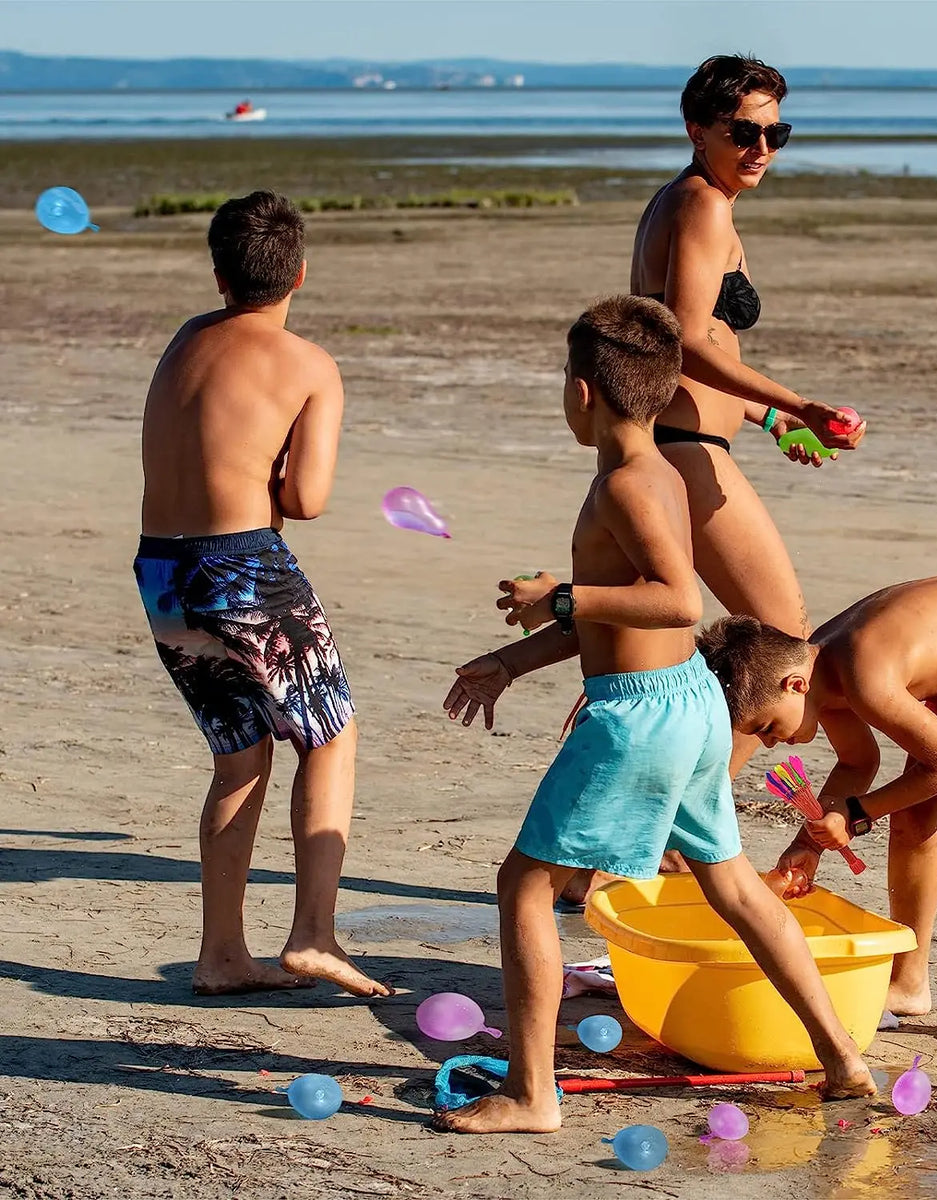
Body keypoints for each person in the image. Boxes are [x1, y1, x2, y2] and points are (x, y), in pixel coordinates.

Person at [437, 296, 875, 1134]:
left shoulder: (627, 485)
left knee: (525, 885)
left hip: (640, 719)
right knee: (733, 885)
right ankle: (842, 1057)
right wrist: (509, 662)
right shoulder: (659, 476)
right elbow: (615, 619)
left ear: (580, 394)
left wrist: (560, 591)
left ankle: (533, 1095)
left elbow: (675, 598)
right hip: (691, 706)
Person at [133, 190, 389, 998]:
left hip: (162, 569)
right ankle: (312, 932)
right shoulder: (309, 365)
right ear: (301, 274)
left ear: (218, 276)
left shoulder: (186, 338)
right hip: (241, 564)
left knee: (239, 755)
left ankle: (221, 955)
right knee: (330, 734)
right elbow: (308, 498)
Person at [697, 578, 937, 1055]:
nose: (774, 742)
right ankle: (909, 981)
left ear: (793, 685)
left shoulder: (862, 674)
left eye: (767, 727)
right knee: (911, 825)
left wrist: (857, 815)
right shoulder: (820, 676)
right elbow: (858, 763)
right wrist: (808, 844)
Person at [630, 54, 867, 783]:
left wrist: (771, 421)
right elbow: (691, 340)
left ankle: (667, 828)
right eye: (743, 131)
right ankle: (677, 829)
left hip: (686, 443)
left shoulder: (693, 198)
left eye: (776, 132)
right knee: (783, 655)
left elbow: (699, 347)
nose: (762, 148)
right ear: (697, 129)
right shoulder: (702, 203)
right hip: (685, 450)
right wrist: (802, 403)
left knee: (750, 658)